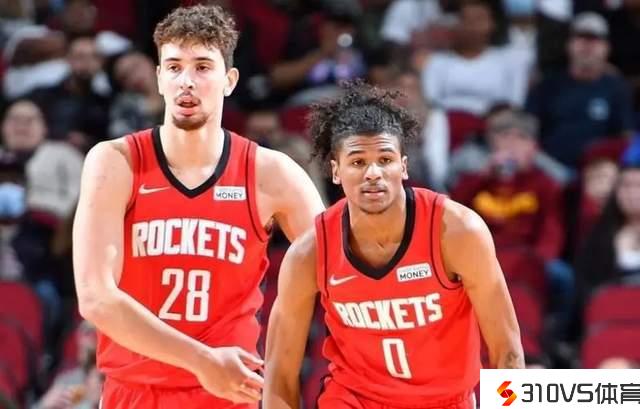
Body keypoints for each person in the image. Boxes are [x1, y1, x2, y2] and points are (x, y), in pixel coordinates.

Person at [72, 5, 325, 409]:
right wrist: (202, 361)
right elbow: (95, 298)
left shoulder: (271, 173)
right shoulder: (115, 162)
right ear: (159, 78)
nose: (186, 81)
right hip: (134, 392)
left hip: (228, 395)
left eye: (203, 67)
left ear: (229, 80)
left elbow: (342, 279)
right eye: (174, 67)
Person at [263, 82, 524, 409]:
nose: (373, 173)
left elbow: (507, 349)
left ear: (403, 166)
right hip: (352, 401)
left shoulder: (457, 232)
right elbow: (280, 370)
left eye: (385, 159)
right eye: (358, 162)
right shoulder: (309, 251)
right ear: (336, 171)